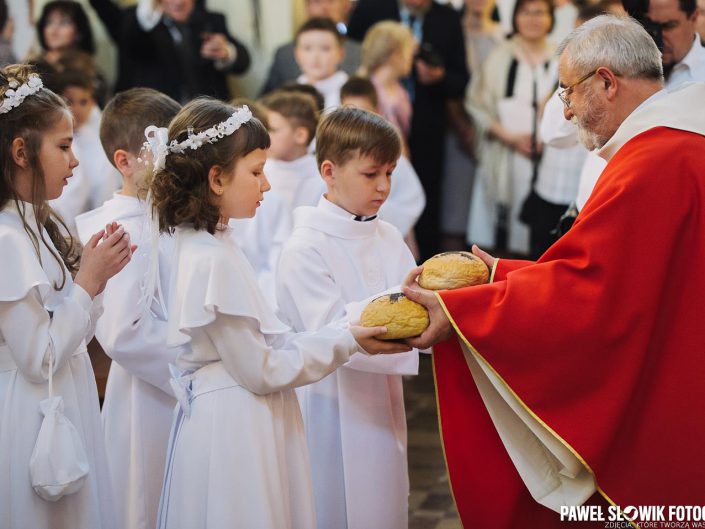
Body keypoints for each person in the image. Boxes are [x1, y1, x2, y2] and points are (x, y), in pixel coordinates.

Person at [401, 15, 705, 529]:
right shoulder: (680, 143)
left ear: (607, 83)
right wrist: (500, 274)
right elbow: (609, 275)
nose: (564, 109)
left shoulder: (652, 164)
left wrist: (462, 310)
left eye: (568, 92)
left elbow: (592, 294)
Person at [148, 98, 409, 529]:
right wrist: (347, 339)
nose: (267, 185)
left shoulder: (218, 244)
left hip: (246, 413)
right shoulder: (209, 257)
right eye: (255, 172)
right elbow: (261, 369)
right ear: (216, 179)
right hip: (232, 425)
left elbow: (272, 341)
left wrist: (346, 334)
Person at [0, 64, 135, 529]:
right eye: (63, 146)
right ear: (21, 151)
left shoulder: (37, 221)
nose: (75, 160)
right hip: (28, 411)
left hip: (65, 395)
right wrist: (87, 283)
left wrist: (98, 280)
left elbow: (70, 333)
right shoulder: (5, 237)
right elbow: (39, 356)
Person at [276, 107, 420, 529]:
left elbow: (410, 307)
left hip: (381, 398)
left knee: (383, 499)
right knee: (332, 502)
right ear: (329, 171)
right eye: (371, 173)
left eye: (390, 174)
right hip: (329, 400)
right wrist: (405, 306)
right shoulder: (305, 246)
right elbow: (331, 331)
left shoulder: (387, 234)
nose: (383, 187)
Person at [73, 88, 182, 529]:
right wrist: (195, 368)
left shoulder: (160, 215)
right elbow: (122, 332)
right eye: (165, 152)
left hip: (170, 384)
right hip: (149, 393)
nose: (176, 162)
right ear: (126, 161)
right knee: (145, 499)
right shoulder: (121, 230)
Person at [543, 0, 705, 230]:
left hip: (655, 226)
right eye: (646, 25)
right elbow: (552, 134)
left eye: (668, 25)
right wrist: (592, 59)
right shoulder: (608, 58)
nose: (655, 35)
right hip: (587, 213)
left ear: (694, 17)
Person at [347, 0, 470, 259]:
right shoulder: (369, 92)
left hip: (402, 161)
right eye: (408, 54)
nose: (412, 61)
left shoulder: (399, 90)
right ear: (393, 55)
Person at [466, 0, 557, 255]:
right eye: (526, 12)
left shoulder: (562, 57)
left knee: (540, 239)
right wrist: (507, 136)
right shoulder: (500, 55)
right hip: (503, 152)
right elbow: (476, 103)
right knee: (499, 235)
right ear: (515, 17)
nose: (533, 18)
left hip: (548, 158)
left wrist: (548, 140)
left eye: (540, 12)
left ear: (551, 18)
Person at [89, 0, 250, 103]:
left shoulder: (211, 20)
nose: (178, 2)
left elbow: (243, 61)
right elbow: (131, 40)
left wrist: (226, 52)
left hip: (208, 117)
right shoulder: (139, 21)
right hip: (156, 118)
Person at [340, 76, 426, 249]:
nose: (357, 121)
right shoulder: (338, 156)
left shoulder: (393, 158)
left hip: (385, 239)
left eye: (363, 112)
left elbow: (412, 199)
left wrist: (373, 212)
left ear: (377, 111)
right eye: (350, 113)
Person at [227, 97, 293, 309]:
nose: (265, 185)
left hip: (263, 302)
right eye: (256, 172)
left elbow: (278, 263)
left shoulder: (275, 204)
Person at [49, 64, 121, 235]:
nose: (77, 110)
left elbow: (106, 191)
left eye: (84, 102)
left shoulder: (102, 141)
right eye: (69, 102)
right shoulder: (50, 138)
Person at [260, 0, 361, 95]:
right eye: (317, 1)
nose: (324, 7)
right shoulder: (284, 55)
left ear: (346, 5)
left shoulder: (360, 53)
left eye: (331, 1)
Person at [260, 90, 325, 210]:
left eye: (272, 130)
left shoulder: (321, 176)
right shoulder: (261, 170)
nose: (265, 136)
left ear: (300, 135)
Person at [359, 21, 415, 148]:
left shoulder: (400, 91)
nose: (412, 58)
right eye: (409, 51)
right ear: (395, 55)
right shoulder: (366, 92)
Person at [294, 17, 349, 110]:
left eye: (325, 48)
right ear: (296, 54)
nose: (315, 56)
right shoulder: (292, 93)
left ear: (341, 54)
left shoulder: (350, 92)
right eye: (307, 48)